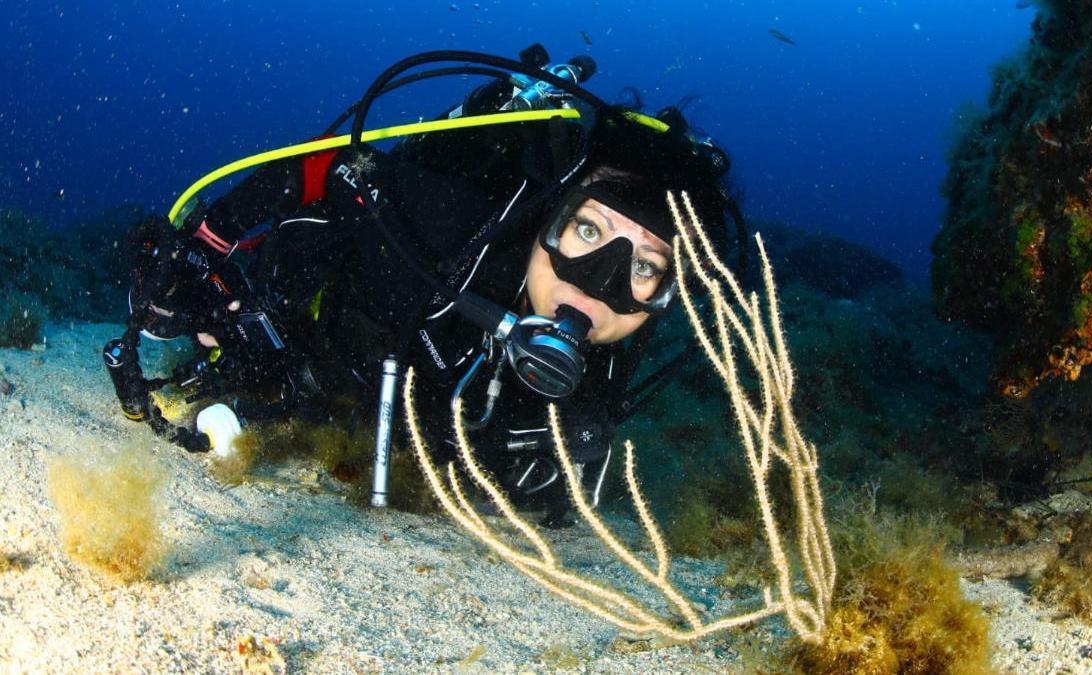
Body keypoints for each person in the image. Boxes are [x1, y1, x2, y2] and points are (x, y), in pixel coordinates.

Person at [104, 47, 744, 524]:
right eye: (586, 231)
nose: (598, 286)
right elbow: (331, 171)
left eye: (644, 267)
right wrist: (207, 246)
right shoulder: (449, 228)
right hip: (324, 328)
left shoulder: (606, 368)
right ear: (549, 215)